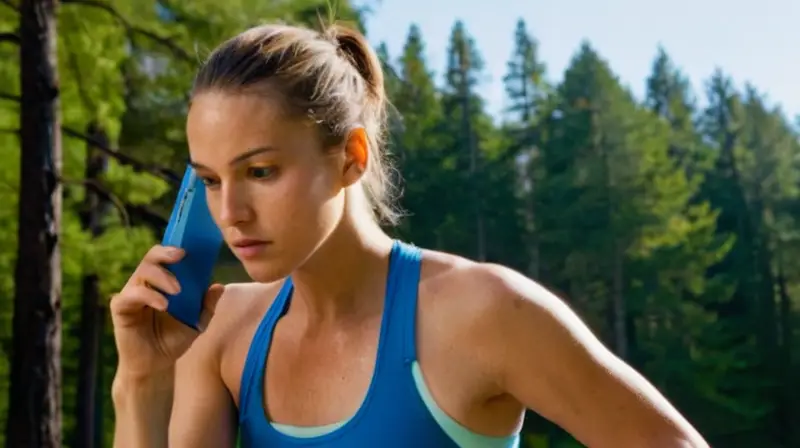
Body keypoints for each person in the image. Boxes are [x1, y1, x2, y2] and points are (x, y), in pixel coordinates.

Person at [110, 22, 709, 448]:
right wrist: (141, 380)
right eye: (211, 181)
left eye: (260, 171)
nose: (231, 211)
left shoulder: (483, 312)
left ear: (350, 156)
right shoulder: (221, 335)